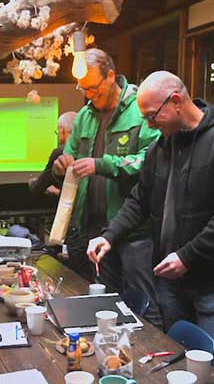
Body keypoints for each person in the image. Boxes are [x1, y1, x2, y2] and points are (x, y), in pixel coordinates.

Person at [87, 70, 214, 375]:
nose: (149, 125)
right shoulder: (159, 149)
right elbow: (139, 200)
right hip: (171, 280)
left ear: (176, 101)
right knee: (176, 359)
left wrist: (188, 256)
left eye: (153, 117)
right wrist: (109, 237)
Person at [52, 49, 162, 328]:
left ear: (111, 76)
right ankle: (113, 358)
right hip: (94, 229)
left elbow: (153, 159)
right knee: (105, 305)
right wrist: (62, 163)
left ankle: (152, 360)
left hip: (133, 231)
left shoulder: (139, 108)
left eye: (93, 87)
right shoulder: (84, 117)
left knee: (144, 307)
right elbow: (71, 155)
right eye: (83, 88)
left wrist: (103, 165)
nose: (88, 94)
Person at [28, 111, 77, 197]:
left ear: (62, 130)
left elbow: (37, 187)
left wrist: (32, 182)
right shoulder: (89, 150)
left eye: (57, 131)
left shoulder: (60, 154)